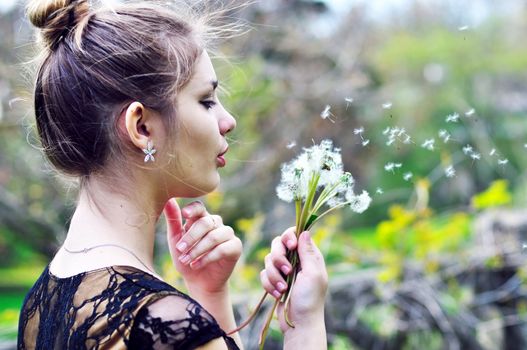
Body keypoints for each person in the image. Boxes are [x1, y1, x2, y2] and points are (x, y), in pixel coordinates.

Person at [18, 0, 328, 349]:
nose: (228, 121)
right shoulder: (162, 322)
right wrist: (305, 323)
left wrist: (210, 294)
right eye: (206, 100)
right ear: (142, 127)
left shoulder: (41, 303)